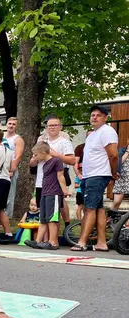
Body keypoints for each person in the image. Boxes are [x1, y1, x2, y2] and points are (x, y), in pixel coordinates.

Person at [71, 106, 119, 252]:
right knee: (98, 209)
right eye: (93, 115)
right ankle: (101, 242)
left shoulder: (107, 131)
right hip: (88, 175)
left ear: (105, 117)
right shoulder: (92, 135)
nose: (95, 117)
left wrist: (113, 172)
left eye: (99, 115)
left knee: (89, 209)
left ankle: (82, 242)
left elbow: (114, 155)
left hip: (98, 175)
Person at [25, 142, 70, 250]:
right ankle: (38, 241)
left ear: (43, 153)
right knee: (43, 218)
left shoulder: (56, 161)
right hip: (45, 192)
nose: (35, 157)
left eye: (36, 155)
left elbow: (60, 176)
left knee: (52, 219)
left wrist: (64, 190)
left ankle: (53, 242)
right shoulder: (45, 164)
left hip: (54, 193)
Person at [30, 115, 74, 227]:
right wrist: (34, 159)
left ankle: (55, 238)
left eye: (55, 125)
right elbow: (32, 162)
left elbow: (72, 160)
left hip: (55, 181)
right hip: (41, 180)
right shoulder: (41, 141)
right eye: (50, 126)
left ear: (60, 127)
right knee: (43, 212)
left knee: (55, 211)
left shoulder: (64, 141)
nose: (52, 128)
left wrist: (56, 155)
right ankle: (43, 240)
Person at [4, 117, 25, 217]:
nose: (11, 125)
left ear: (17, 126)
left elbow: (18, 156)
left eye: (14, 124)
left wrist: (12, 169)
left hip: (10, 169)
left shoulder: (18, 139)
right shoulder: (2, 136)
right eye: (10, 123)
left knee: (9, 193)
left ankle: (7, 216)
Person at [111, 136, 129, 213]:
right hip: (122, 180)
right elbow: (118, 163)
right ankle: (111, 221)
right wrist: (127, 152)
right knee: (116, 202)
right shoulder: (121, 150)